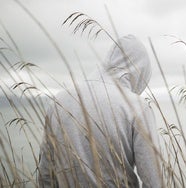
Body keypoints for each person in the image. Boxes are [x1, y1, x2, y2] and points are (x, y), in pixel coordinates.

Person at [38, 35, 163, 188]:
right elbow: (154, 182)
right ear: (140, 72)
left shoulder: (59, 102)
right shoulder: (137, 107)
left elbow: (45, 175)